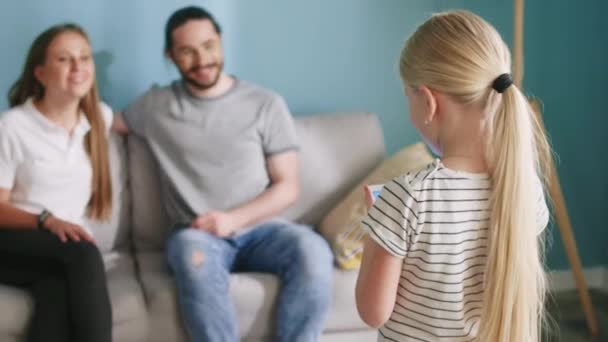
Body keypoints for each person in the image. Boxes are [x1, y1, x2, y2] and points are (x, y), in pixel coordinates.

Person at [115, 6, 333, 341]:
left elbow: (288, 187)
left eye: (208, 45)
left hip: (265, 231)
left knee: (314, 252)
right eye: (187, 51)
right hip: (196, 234)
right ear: (170, 55)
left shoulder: (265, 103)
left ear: (220, 42)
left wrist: (232, 219)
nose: (201, 60)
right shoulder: (154, 105)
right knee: (193, 258)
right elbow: (101, 120)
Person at [355, 11, 551, 342]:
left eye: (408, 97)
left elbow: (372, 311)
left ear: (429, 102)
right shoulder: (524, 187)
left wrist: (378, 229)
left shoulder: (407, 196)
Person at [0, 24, 116, 342]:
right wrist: (46, 221)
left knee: (56, 286)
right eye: (64, 59)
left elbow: (134, 123)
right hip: (11, 239)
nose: (78, 67)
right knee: (82, 253)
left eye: (84, 57)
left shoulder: (98, 119)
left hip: (55, 253)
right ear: (40, 73)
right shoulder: (12, 127)